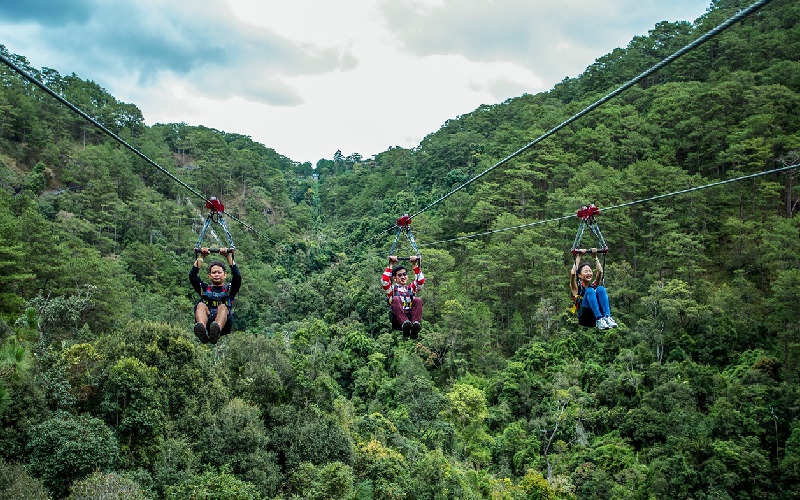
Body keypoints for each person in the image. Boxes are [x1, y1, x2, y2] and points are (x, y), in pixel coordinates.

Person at [190, 247, 241, 344]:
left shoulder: (230, 289)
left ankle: (216, 331)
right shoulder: (204, 288)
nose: (216, 275)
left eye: (219, 272)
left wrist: (228, 256)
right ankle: (202, 331)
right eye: (213, 273)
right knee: (200, 305)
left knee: (222, 307)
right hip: (208, 319)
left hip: (224, 322)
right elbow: (192, 276)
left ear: (225, 275)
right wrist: (201, 257)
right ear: (209, 275)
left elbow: (237, 276)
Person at [570, 250, 618, 330]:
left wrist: (595, 257)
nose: (588, 273)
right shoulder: (576, 288)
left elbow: (600, 272)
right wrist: (578, 257)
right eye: (586, 271)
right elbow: (572, 274)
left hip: (594, 315)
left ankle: (607, 317)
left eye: (590, 271)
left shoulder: (593, 285)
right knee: (590, 291)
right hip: (585, 316)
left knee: (600, 289)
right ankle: (599, 319)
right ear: (580, 275)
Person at [381, 255, 424, 339]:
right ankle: (405, 323)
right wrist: (390, 265)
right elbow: (385, 281)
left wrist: (415, 265)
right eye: (400, 275)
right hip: (397, 318)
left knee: (418, 300)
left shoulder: (410, 289)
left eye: (404, 274)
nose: (403, 277)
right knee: (396, 299)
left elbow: (420, 281)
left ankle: (414, 325)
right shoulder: (392, 290)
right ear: (395, 278)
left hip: (410, 315)